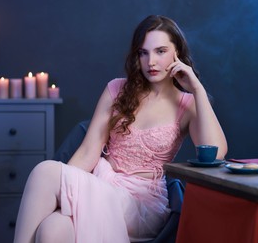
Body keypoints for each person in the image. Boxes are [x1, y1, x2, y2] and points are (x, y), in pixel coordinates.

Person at [13, 15, 227, 243]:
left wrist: (197, 89)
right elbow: (87, 154)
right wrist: (64, 192)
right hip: (102, 183)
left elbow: (217, 152)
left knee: (45, 171)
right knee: (52, 228)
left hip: (143, 204)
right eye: (143, 53)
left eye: (161, 51)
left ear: (178, 54)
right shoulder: (117, 89)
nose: (151, 62)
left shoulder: (188, 103)